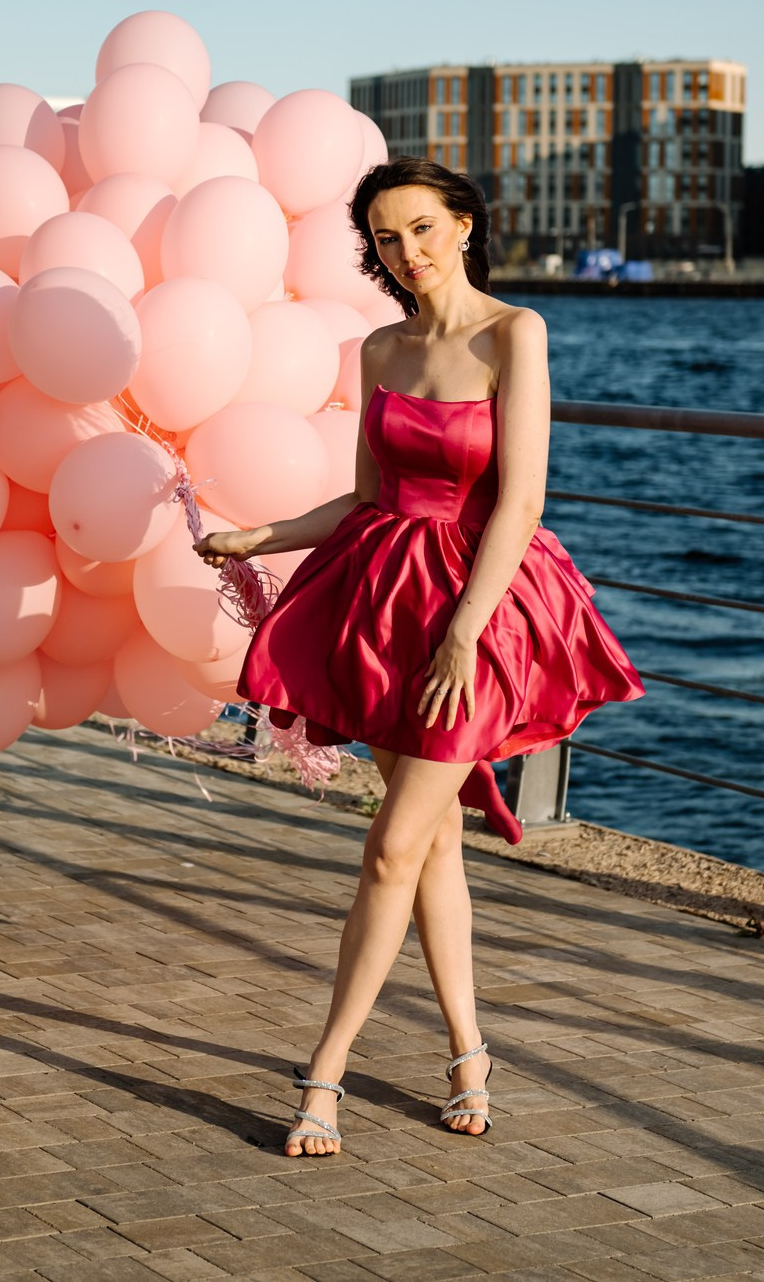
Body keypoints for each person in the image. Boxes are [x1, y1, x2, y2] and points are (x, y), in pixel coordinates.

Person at [193, 158, 643, 1159]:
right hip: (383, 594)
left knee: (393, 844)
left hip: (476, 610)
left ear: (467, 225)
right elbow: (361, 495)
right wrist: (255, 538)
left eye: (425, 228)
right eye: (389, 238)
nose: (410, 251)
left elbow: (519, 500)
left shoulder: (513, 334)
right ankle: (468, 1055)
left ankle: (324, 1074)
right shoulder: (379, 347)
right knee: (430, 844)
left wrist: (465, 626)